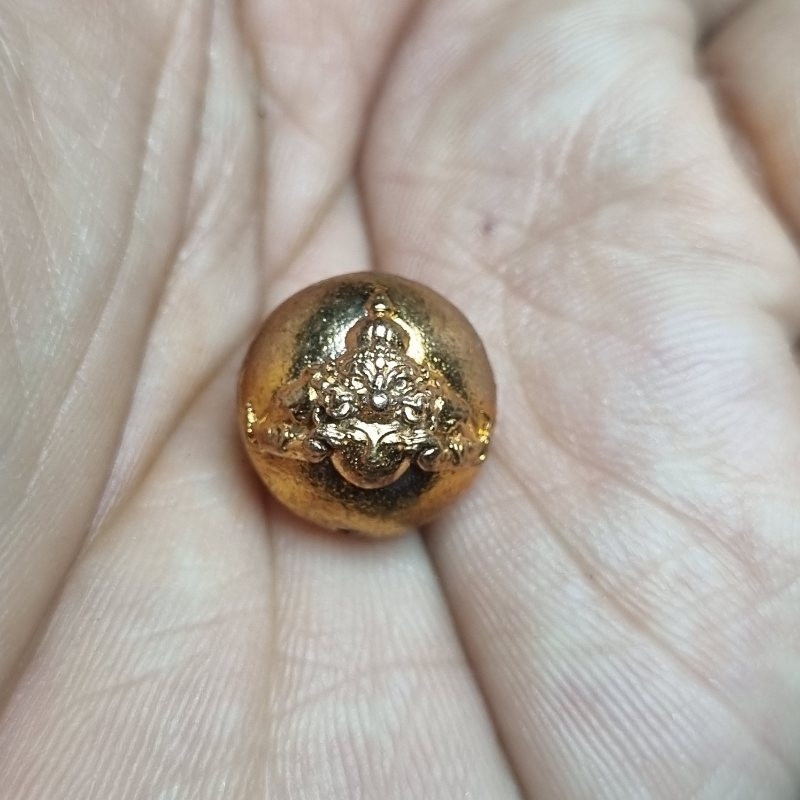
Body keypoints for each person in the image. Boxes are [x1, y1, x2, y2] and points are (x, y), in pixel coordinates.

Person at [1, 1, 798, 797]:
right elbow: (305, 406)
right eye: (372, 349)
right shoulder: (328, 384)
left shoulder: (413, 391)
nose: (381, 362)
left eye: (387, 352)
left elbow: (439, 416)